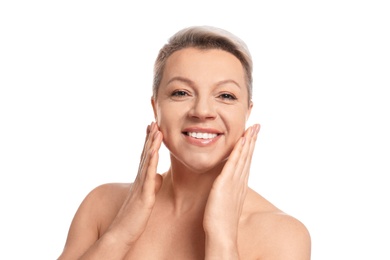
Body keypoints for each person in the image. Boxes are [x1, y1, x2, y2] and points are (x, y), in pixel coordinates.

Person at [58, 25, 311, 259]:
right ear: (155, 106)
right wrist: (120, 233)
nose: (202, 111)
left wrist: (221, 236)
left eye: (225, 95)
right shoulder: (101, 205)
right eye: (181, 93)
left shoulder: (283, 236)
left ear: (248, 111)